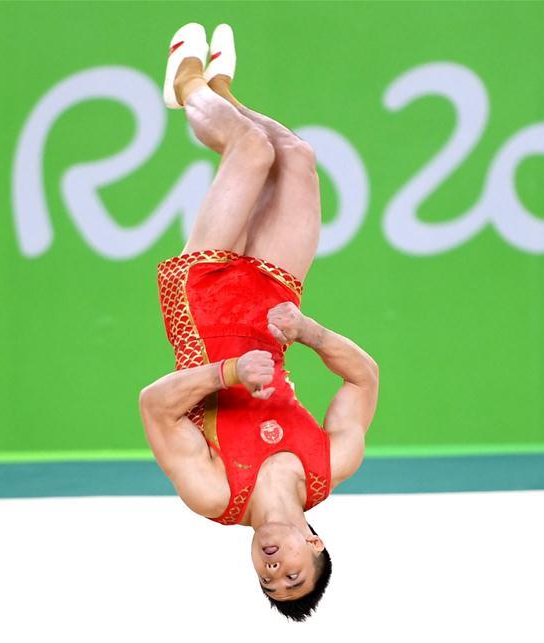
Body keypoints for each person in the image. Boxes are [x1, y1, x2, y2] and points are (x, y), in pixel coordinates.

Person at [138, 22, 379, 621]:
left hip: (208, 311)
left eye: (269, 581)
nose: (274, 568)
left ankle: (189, 83)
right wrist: (311, 334)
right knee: (296, 157)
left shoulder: (215, 495)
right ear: (315, 545)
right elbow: (364, 380)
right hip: (277, 312)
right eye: (292, 573)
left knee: (250, 150)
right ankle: (223, 89)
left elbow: (153, 405)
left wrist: (224, 372)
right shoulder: (333, 464)